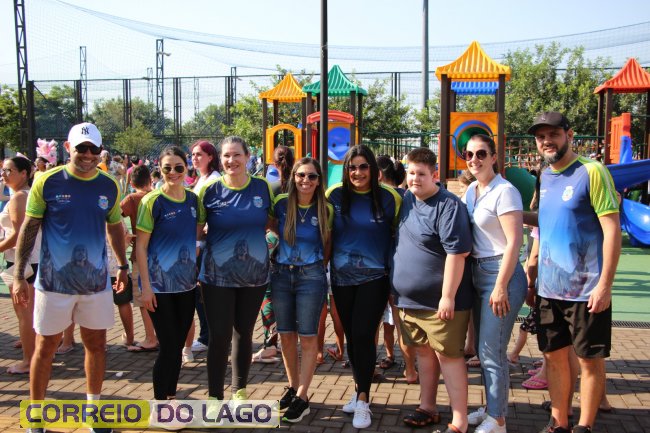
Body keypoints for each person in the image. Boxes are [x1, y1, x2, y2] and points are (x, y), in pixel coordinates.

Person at [12, 122, 128, 433]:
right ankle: (36, 417)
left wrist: (122, 265)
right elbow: (29, 228)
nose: (88, 155)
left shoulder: (109, 185)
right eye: (81, 148)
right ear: (68, 148)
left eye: (93, 149)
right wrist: (19, 274)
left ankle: (93, 412)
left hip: (95, 284)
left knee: (97, 345)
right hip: (54, 284)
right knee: (45, 347)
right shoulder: (47, 182)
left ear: (100, 151)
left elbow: (114, 227)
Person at [529, 112, 620, 433]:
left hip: (586, 290)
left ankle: (584, 426)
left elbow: (612, 230)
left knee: (589, 361)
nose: (547, 141)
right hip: (549, 289)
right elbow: (546, 223)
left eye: (553, 134)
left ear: (569, 135)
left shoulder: (592, 172)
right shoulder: (545, 176)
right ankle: (559, 422)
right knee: (553, 357)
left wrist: (605, 285)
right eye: (541, 137)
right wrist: (533, 270)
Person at [392, 147, 473, 433]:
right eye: (411, 173)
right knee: (424, 353)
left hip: (439, 303)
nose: (415, 179)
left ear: (435, 174)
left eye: (421, 174)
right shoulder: (406, 200)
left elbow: (457, 253)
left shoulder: (449, 205)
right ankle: (427, 407)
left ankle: (460, 419)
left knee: (448, 357)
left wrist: (447, 296)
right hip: (409, 302)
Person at [326, 144, 402, 429]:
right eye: (352, 167)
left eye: (363, 167)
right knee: (352, 338)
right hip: (341, 279)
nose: (357, 172)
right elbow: (324, 232)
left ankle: (363, 399)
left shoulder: (390, 197)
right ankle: (359, 389)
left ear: (373, 169)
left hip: (375, 278)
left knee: (363, 334)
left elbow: (401, 234)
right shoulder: (333, 195)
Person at [197, 136, 273, 402]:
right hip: (217, 276)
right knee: (219, 337)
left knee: (244, 333)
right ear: (220, 159)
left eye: (237, 155)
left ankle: (239, 391)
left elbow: (274, 223)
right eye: (226, 156)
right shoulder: (209, 191)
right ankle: (215, 397)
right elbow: (196, 232)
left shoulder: (263, 187)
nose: (232, 160)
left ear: (248, 156)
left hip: (254, 275)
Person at [462, 134, 527, 433]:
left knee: (492, 351)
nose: (474, 159)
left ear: (493, 157)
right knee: (482, 350)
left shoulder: (505, 191)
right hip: (477, 272)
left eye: (481, 153)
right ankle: (491, 408)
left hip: (501, 273)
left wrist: (501, 285)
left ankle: (498, 419)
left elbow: (514, 242)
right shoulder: (472, 190)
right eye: (469, 154)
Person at [136, 145, 203, 402]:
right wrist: (146, 287)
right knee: (169, 346)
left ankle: (170, 397)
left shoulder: (193, 200)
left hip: (186, 286)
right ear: (160, 169)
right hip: (159, 287)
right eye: (167, 168)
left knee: (177, 346)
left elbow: (195, 236)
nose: (173, 172)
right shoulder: (152, 201)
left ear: (187, 168)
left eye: (178, 167)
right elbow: (141, 247)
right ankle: (160, 403)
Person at [272, 157, 331, 423]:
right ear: (293, 177)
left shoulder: (326, 209)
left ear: (319, 181)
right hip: (282, 275)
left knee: (307, 337)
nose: (306, 180)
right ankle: (293, 387)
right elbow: (271, 227)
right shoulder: (281, 203)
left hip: (311, 276)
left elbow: (328, 243)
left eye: (312, 176)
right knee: (286, 335)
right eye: (301, 175)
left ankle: (303, 397)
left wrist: (316, 267)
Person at [375, 155, 418, 383]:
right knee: (401, 319)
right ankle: (410, 368)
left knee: (373, 320)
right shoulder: (408, 197)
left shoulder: (377, 197)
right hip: (401, 265)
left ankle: (374, 364)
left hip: (376, 263)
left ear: (379, 174)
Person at [253, 145, 295, 363]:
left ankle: (270, 344)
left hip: (273, 242)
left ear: (273, 162)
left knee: (268, 294)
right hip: (298, 244)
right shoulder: (300, 185)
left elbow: (265, 218)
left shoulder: (270, 187)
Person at [1, 157, 40, 374]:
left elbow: (18, 235)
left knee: (25, 313)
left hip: (23, 263)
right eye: (3, 170)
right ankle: (32, 350)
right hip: (27, 261)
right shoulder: (25, 195)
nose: (4, 174)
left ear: (24, 173)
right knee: (28, 313)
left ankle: (29, 360)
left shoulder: (19, 197)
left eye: (9, 171)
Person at [183, 140, 221, 362]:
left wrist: (200, 237)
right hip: (199, 243)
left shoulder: (214, 180)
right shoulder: (202, 178)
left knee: (203, 293)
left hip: (206, 246)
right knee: (200, 293)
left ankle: (208, 336)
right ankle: (209, 335)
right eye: (193, 155)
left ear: (210, 156)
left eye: (199, 154)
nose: (194, 158)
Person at [120, 164, 158, 352]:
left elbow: (114, 216)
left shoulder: (132, 199)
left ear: (132, 183)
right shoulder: (158, 196)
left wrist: (126, 236)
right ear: (150, 179)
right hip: (159, 254)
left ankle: (151, 337)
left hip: (139, 253)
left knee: (144, 299)